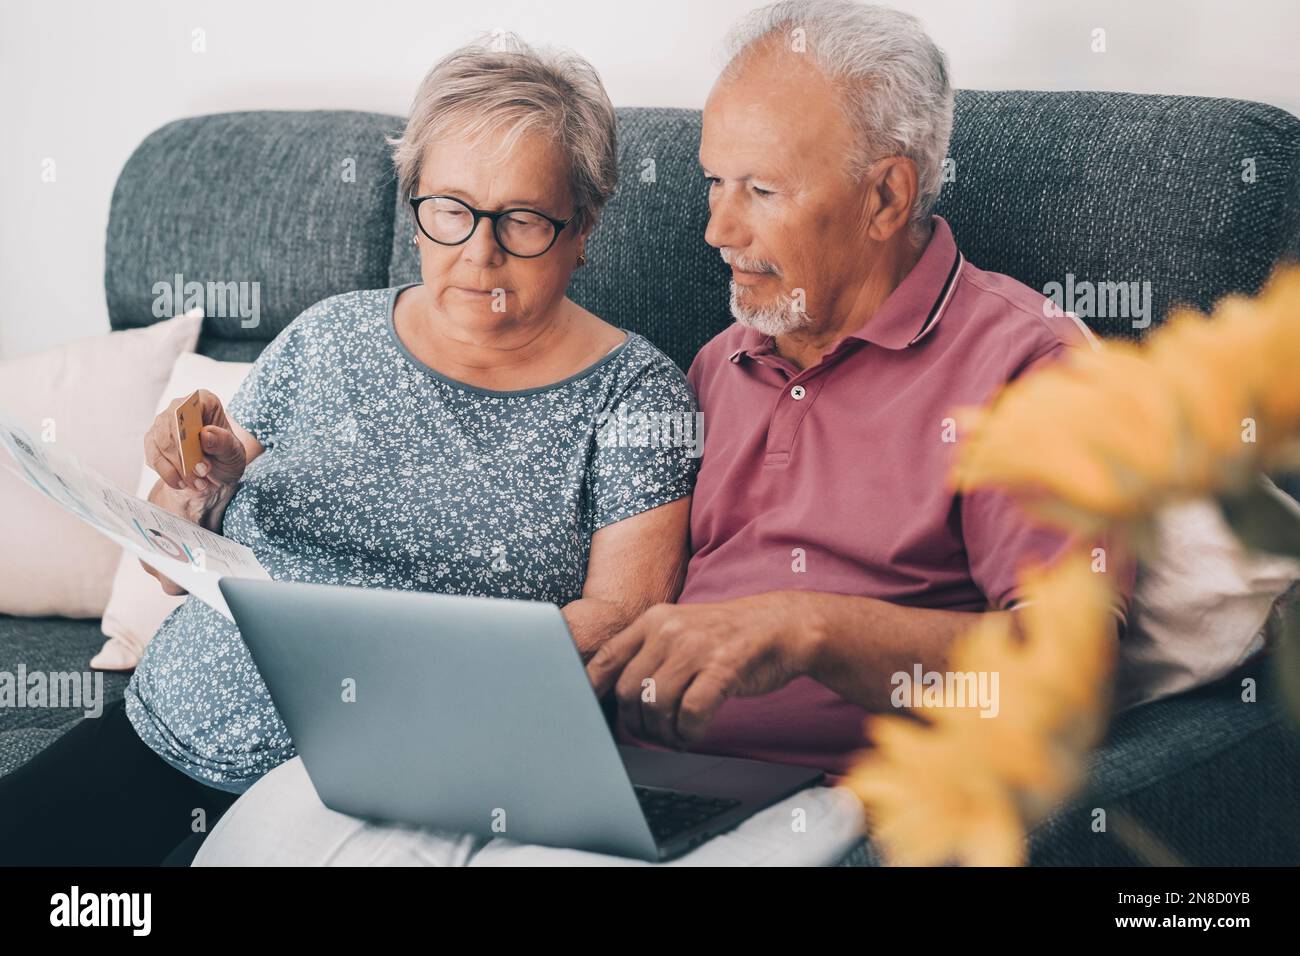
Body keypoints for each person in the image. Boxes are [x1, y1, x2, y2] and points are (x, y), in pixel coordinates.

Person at [0, 35, 698, 866]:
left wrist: (413, 660)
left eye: (521, 220)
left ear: (582, 227)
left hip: (407, 781)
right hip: (179, 726)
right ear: (415, 207)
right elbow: (169, 555)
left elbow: (620, 622)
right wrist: (198, 488)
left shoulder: (637, 396)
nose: (480, 252)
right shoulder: (328, 335)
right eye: (451, 210)